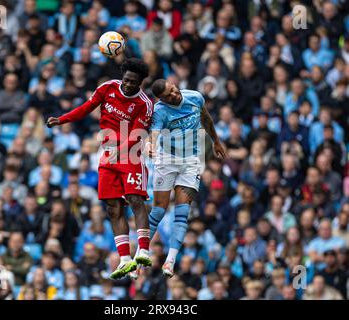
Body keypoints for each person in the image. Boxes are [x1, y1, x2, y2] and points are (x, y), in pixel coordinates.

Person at [46, 58, 153, 279]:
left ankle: (143, 249)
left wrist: (120, 150)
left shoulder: (144, 104)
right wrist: (62, 120)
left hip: (131, 155)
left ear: (141, 83)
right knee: (112, 207)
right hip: (107, 154)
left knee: (134, 199)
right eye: (126, 80)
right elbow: (86, 108)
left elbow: (138, 134)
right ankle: (125, 259)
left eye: (134, 82)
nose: (128, 85)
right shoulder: (108, 88)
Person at [132, 79, 226, 278]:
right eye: (168, 96)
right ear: (161, 99)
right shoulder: (159, 111)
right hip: (167, 159)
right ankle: (140, 252)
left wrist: (216, 142)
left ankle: (170, 261)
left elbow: (206, 118)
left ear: (174, 85)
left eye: (173, 90)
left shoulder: (194, 96)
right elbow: (154, 133)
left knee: (183, 211)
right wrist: (150, 145)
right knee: (158, 210)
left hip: (191, 159)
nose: (174, 95)